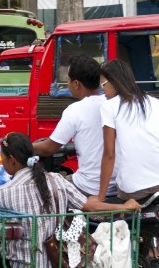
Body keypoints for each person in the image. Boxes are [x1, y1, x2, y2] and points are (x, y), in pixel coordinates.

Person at [0, 132, 140, 268]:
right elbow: (90, 207)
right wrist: (125, 207)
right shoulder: (57, 180)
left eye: (2, 158)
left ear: (12, 160)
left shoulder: (2, 193)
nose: (1, 162)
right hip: (59, 266)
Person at [97, 59, 159, 211]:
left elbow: (109, 154)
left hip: (133, 190)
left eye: (103, 85)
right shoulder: (158, 104)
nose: (102, 91)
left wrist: (101, 198)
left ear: (114, 82)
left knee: (122, 213)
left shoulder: (109, 107)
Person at [33, 55, 117, 197]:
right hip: (118, 186)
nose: (67, 84)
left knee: (40, 190)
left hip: (88, 187)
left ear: (77, 84)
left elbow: (48, 148)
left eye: (68, 80)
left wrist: (22, 145)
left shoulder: (74, 110)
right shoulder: (113, 104)